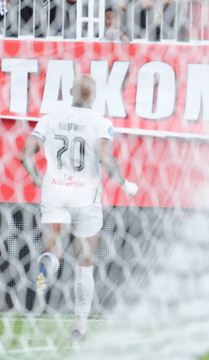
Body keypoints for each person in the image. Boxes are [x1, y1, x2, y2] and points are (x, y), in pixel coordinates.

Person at [19, 74, 139, 341]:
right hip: (85, 199)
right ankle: (79, 328)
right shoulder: (100, 123)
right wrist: (124, 182)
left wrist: (38, 179)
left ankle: (47, 266)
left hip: (55, 193)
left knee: (54, 250)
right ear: (93, 96)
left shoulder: (50, 119)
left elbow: (25, 154)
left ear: (71, 91)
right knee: (85, 264)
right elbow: (106, 159)